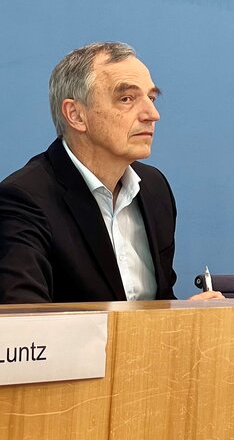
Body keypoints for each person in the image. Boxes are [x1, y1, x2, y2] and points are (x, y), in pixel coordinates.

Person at [0, 42, 222, 303]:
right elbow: (27, 324)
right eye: (127, 99)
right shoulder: (24, 199)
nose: (152, 114)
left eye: (151, 98)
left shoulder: (154, 188)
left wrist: (185, 317)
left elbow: (158, 302)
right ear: (76, 115)